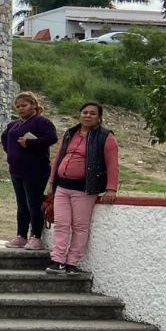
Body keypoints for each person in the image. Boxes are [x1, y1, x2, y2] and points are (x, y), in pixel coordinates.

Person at [46, 101, 119, 275]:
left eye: (93, 113)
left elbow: (113, 164)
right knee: (61, 224)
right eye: (85, 112)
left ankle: (72, 262)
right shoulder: (70, 133)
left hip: (84, 189)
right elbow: (58, 158)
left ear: (99, 118)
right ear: (79, 115)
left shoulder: (105, 136)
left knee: (79, 226)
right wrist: (52, 182)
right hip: (62, 187)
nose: (88, 116)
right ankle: (57, 260)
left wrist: (111, 188)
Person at [1, 91, 57, 251]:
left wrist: (31, 143)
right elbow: (5, 137)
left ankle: (36, 237)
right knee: (21, 204)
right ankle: (21, 235)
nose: (20, 109)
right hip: (16, 170)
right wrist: (10, 151)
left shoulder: (41, 121)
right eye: (17, 106)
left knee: (33, 203)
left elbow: (51, 138)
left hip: (35, 170)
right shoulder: (14, 124)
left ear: (33, 105)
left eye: (24, 105)